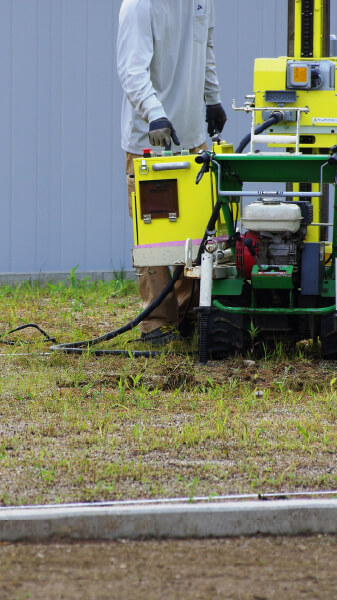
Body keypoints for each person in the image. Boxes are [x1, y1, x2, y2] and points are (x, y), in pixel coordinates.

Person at [117, 0, 226, 345]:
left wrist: (212, 97)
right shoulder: (140, 5)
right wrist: (154, 113)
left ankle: (188, 314)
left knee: (195, 231)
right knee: (156, 233)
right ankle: (157, 323)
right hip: (150, 138)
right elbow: (131, 69)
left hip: (192, 136)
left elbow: (204, 48)